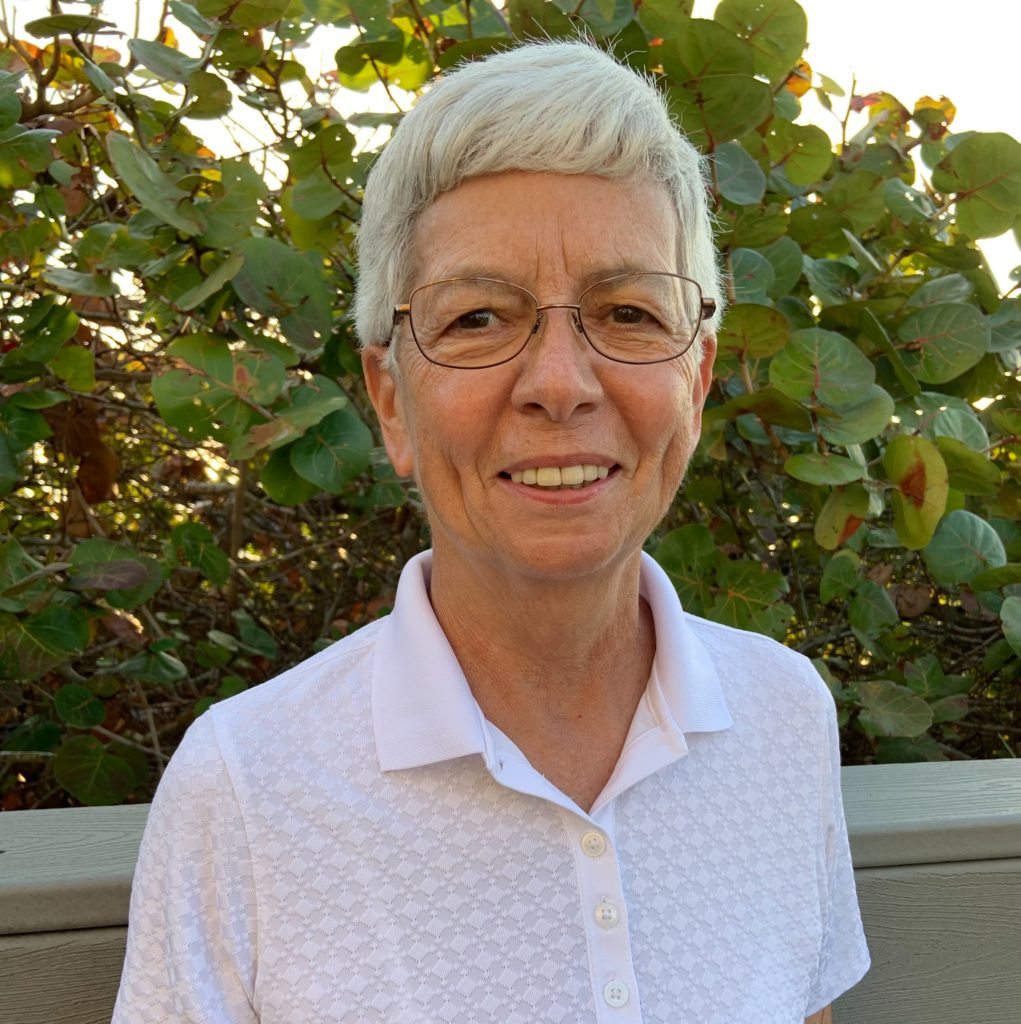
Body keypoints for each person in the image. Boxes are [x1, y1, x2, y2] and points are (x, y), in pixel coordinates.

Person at [112, 40, 869, 1024]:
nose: (560, 383)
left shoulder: (782, 715)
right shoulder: (247, 791)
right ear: (391, 400)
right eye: (477, 318)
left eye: (629, 310)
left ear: (696, 373)